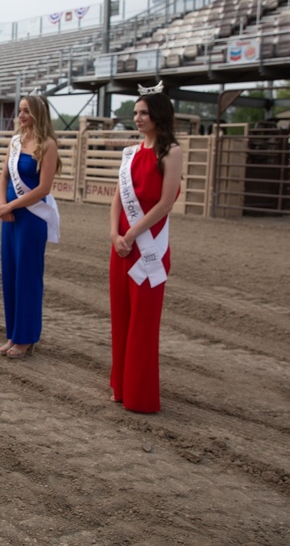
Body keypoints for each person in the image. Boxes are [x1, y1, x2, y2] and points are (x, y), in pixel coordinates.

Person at [109, 82, 182, 414]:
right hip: (121, 246)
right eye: (135, 113)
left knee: (143, 321)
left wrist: (132, 233)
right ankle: (120, 387)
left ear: (158, 115)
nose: (137, 118)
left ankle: (140, 394)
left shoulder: (171, 153)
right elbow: (116, 200)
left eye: (143, 112)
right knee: (121, 317)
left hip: (148, 248)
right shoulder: (129, 154)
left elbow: (166, 203)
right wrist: (114, 234)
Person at [0, 94, 61, 359]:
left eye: (26, 111)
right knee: (10, 274)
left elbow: (44, 188)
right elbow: (3, 176)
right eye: (20, 111)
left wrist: (12, 206)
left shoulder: (47, 144)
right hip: (9, 218)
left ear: (38, 113)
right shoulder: (15, 141)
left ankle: (26, 337)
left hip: (31, 219)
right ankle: (14, 333)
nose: (21, 116)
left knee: (28, 277)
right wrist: (3, 204)